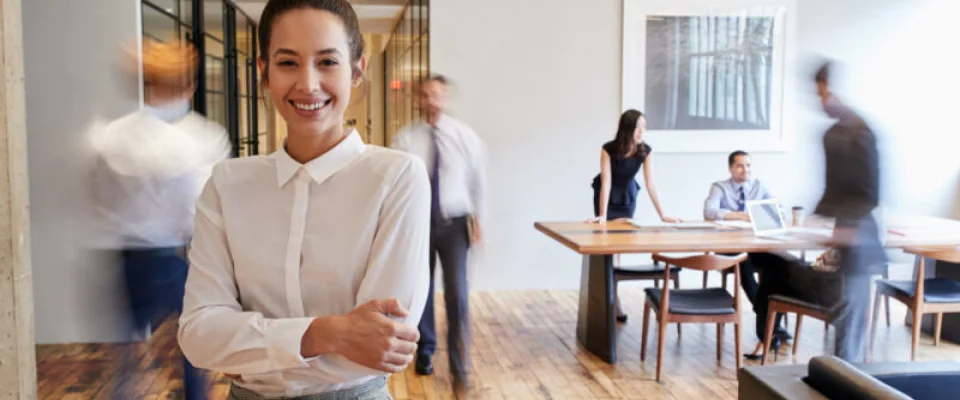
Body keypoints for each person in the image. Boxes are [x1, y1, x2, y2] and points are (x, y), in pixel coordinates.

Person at [177, 1, 431, 399]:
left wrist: (248, 343)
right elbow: (198, 337)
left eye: (327, 62)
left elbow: (382, 345)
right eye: (288, 63)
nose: (308, 84)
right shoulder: (227, 184)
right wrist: (330, 332)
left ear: (357, 70)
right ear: (264, 72)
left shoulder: (397, 177)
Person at [87, 39, 229, 400]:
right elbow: (204, 209)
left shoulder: (109, 137)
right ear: (190, 85)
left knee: (124, 365)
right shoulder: (200, 140)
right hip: (173, 257)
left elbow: (99, 199)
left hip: (122, 261)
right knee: (193, 356)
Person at [391, 74, 486, 398]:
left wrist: (480, 220)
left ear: (444, 98)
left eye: (437, 95)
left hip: (455, 222)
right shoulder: (406, 138)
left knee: (458, 295)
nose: (431, 100)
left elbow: (478, 181)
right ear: (418, 99)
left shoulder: (464, 136)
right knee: (422, 290)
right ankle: (426, 350)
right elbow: (397, 186)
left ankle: (460, 368)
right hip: (418, 224)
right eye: (426, 95)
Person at [810, 60, 885, 362]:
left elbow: (870, 191)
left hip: (860, 232)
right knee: (844, 312)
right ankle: (841, 375)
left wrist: (848, 228)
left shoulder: (861, 133)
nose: (822, 102)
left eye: (824, 94)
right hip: (844, 228)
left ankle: (847, 379)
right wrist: (820, 220)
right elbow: (833, 188)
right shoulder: (831, 136)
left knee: (850, 314)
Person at [589, 109, 679, 322]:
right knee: (608, 250)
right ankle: (613, 301)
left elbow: (651, 183)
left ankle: (614, 299)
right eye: (638, 127)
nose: (642, 132)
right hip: (606, 197)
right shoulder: (608, 149)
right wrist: (602, 215)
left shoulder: (645, 151)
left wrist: (663, 214)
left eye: (644, 127)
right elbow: (607, 182)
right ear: (627, 128)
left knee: (619, 248)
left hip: (627, 198)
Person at [702, 151, 790, 341]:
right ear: (731, 168)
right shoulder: (720, 187)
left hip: (756, 244)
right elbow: (710, 212)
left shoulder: (759, 186)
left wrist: (767, 213)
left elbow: (778, 208)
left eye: (748, 165)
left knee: (780, 262)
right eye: (740, 166)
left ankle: (769, 317)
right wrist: (743, 215)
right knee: (744, 264)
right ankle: (767, 316)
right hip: (729, 246)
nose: (745, 170)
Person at [744, 250, 845, 360]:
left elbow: (836, 257)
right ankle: (769, 333)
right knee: (775, 266)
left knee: (776, 270)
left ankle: (767, 335)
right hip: (824, 278)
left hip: (825, 286)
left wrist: (827, 254)